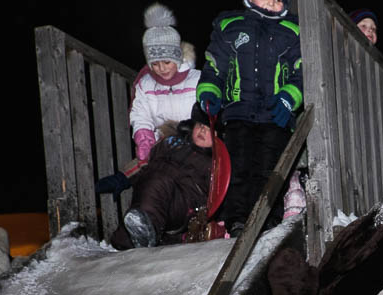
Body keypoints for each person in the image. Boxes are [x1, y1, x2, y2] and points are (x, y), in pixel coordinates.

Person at [197, 0, 303, 237]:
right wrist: (209, 92)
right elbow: (214, 67)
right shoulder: (230, 25)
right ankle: (237, 221)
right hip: (238, 113)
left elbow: (302, 71)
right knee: (238, 167)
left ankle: (267, 221)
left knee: (270, 169)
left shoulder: (293, 29)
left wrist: (289, 97)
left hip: (275, 114)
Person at [108, 104, 217, 249]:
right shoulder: (172, 143)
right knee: (149, 183)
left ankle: (147, 232)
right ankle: (130, 239)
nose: (203, 130)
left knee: (158, 182)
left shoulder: (213, 162)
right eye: (200, 125)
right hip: (156, 191)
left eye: (209, 129)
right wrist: (123, 177)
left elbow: (220, 190)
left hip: (185, 202)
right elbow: (144, 163)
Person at [130, 3, 201, 161]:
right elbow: (141, 115)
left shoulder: (197, 80)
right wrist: (145, 140)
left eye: (167, 62)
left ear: (177, 58)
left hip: (194, 148)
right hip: (162, 148)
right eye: (155, 64)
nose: (162, 68)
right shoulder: (146, 84)